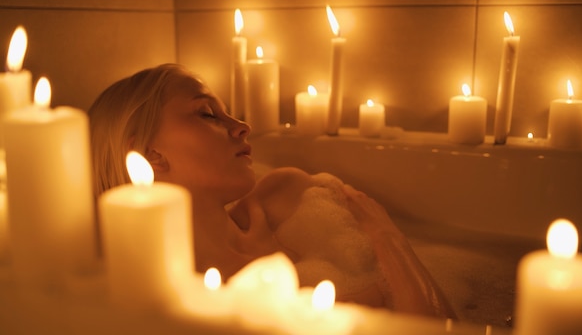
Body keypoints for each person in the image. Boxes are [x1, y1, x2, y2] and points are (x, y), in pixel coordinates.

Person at [88, 63, 455, 318]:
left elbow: (447, 326)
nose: (242, 126)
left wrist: (386, 236)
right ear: (148, 155)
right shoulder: (188, 295)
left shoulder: (288, 195)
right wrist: (386, 237)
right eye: (207, 114)